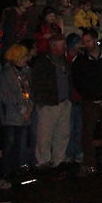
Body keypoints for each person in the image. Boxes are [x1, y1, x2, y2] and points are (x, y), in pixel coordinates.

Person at [73, 28, 102, 175]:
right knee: (87, 133)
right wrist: (87, 94)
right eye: (84, 42)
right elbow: (77, 81)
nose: (86, 44)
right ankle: (90, 162)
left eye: (88, 41)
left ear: (95, 40)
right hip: (90, 102)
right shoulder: (81, 61)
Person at [31, 34, 72, 171]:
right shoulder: (43, 62)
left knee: (62, 134)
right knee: (45, 135)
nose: (65, 47)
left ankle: (58, 160)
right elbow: (37, 83)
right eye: (62, 44)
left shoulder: (64, 61)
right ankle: (43, 162)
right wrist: (41, 101)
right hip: (49, 104)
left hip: (63, 102)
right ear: (54, 45)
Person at [0, 44, 34, 176]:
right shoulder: (7, 73)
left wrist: (29, 107)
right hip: (11, 115)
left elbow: (31, 91)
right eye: (23, 57)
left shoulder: (26, 72)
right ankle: (7, 168)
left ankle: (17, 166)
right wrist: (22, 109)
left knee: (20, 141)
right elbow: (7, 96)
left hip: (24, 113)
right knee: (10, 141)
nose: (26, 59)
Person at [64, 33, 84, 163]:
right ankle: (68, 153)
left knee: (79, 128)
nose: (81, 46)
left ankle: (77, 152)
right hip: (69, 99)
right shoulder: (65, 60)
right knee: (68, 129)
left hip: (80, 98)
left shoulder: (81, 59)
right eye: (78, 43)